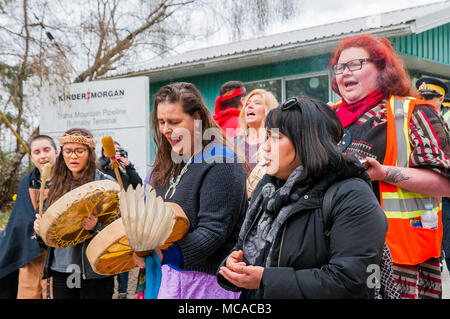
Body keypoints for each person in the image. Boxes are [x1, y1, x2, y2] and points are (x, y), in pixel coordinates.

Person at [217, 96, 387, 298]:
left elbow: (352, 281)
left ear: (307, 142)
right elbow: (243, 246)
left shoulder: (351, 195)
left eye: (276, 138)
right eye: (266, 137)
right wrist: (233, 265)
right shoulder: (269, 188)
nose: (265, 148)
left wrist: (266, 280)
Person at [328, 34, 450, 299]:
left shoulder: (413, 112)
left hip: (398, 257)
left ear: (383, 69)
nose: (344, 73)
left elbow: (446, 184)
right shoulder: (328, 116)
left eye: (356, 64)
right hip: (336, 251)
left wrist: (383, 173)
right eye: (340, 67)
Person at [133, 82, 248, 299]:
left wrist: (164, 254)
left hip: (209, 284)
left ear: (196, 118)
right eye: (161, 122)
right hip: (168, 277)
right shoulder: (165, 163)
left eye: (174, 122)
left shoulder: (222, 162)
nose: (166, 129)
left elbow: (213, 231)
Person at [33, 128, 116, 299]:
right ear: (61, 154)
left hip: (95, 270)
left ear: (90, 153)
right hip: (63, 267)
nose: (73, 157)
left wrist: (96, 227)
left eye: (80, 151)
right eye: (68, 151)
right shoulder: (55, 184)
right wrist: (40, 230)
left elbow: (120, 226)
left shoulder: (106, 184)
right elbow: (48, 232)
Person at [0, 135, 58, 299]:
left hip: (54, 259)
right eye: (37, 152)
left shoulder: (65, 181)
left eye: (46, 150)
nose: (43, 156)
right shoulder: (27, 181)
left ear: (56, 152)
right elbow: (18, 218)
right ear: (32, 158)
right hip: (28, 254)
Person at [98, 140, 142, 299]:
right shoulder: (100, 169)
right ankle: (107, 287)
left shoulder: (124, 170)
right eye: (112, 150)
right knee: (109, 254)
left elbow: (138, 186)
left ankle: (123, 291)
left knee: (124, 255)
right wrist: (109, 165)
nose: (116, 153)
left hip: (124, 218)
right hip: (107, 219)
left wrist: (129, 166)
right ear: (105, 152)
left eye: (119, 150)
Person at [416, 77, 450, 274]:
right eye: (422, 97)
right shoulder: (414, 121)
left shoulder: (443, 122)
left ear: (441, 99)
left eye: (429, 98)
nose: (424, 102)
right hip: (429, 199)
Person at [234, 89, 278, 171]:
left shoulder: (275, 143)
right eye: (247, 104)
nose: (249, 106)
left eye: (257, 103)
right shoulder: (234, 143)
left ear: (268, 110)